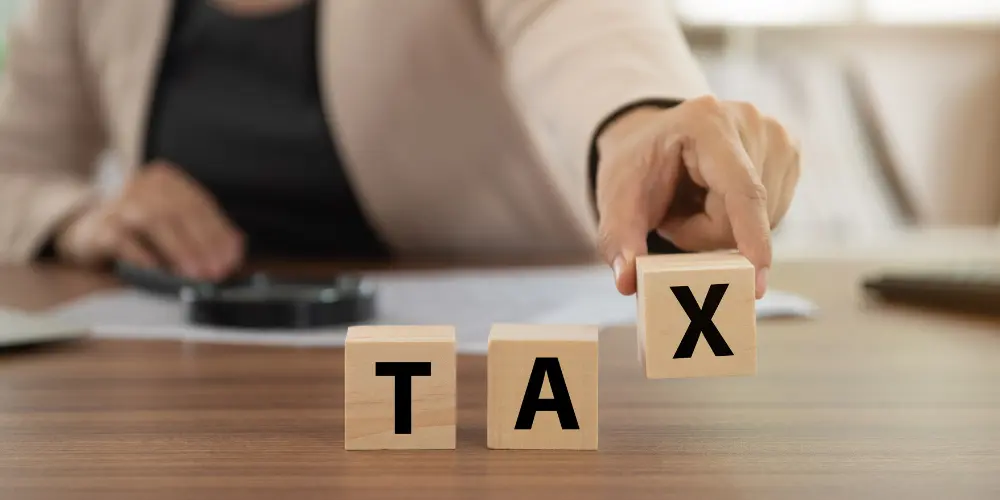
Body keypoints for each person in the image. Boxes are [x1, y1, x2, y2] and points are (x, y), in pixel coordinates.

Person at [0, 0, 799, 298]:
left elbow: (580, 20)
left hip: (481, 382)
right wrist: (82, 217)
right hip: (194, 396)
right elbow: (14, 168)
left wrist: (642, 122)